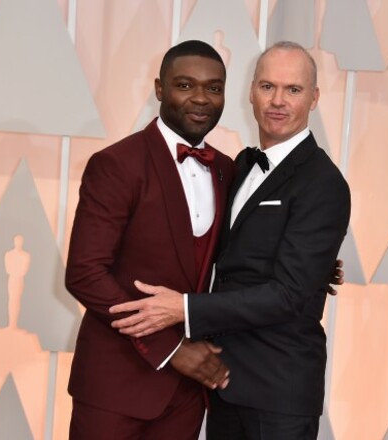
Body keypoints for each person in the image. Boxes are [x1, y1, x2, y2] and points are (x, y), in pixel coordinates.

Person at [110, 41, 351, 440]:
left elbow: (288, 295)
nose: (278, 101)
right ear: (251, 93)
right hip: (223, 384)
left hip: (278, 393)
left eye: (293, 90)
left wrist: (183, 308)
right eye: (268, 87)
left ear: (314, 98)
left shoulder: (323, 183)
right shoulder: (238, 166)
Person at [64, 40, 236, 440]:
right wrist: (174, 351)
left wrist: (314, 266)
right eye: (185, 85)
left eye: (213, 88)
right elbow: (84, 273)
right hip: (115, 385)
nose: (200, 98)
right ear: (160, 89)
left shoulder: (228, 171)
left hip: (188, 395)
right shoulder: (117, 165)